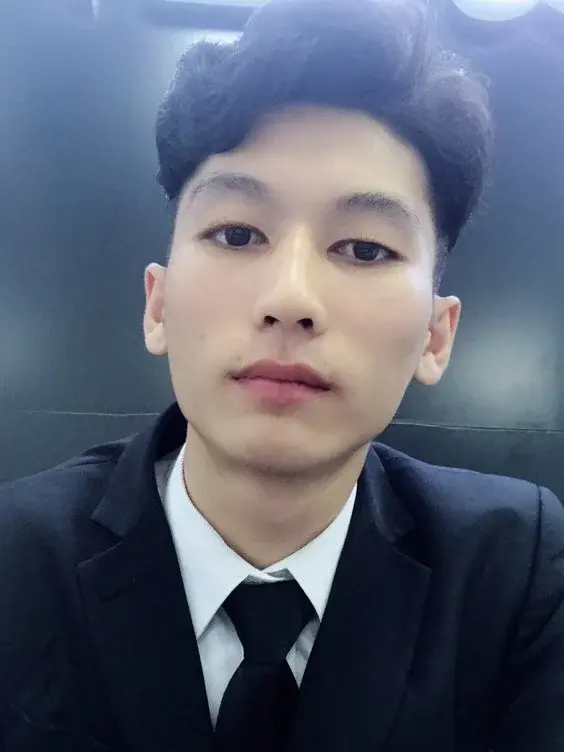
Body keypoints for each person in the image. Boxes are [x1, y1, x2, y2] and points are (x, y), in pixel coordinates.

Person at [2, 0, 564, 749]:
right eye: (237, 233)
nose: (290, 298)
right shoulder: (15, 559)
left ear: (436, 336)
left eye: (364, 249)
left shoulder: (515, 572)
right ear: (158, 306)